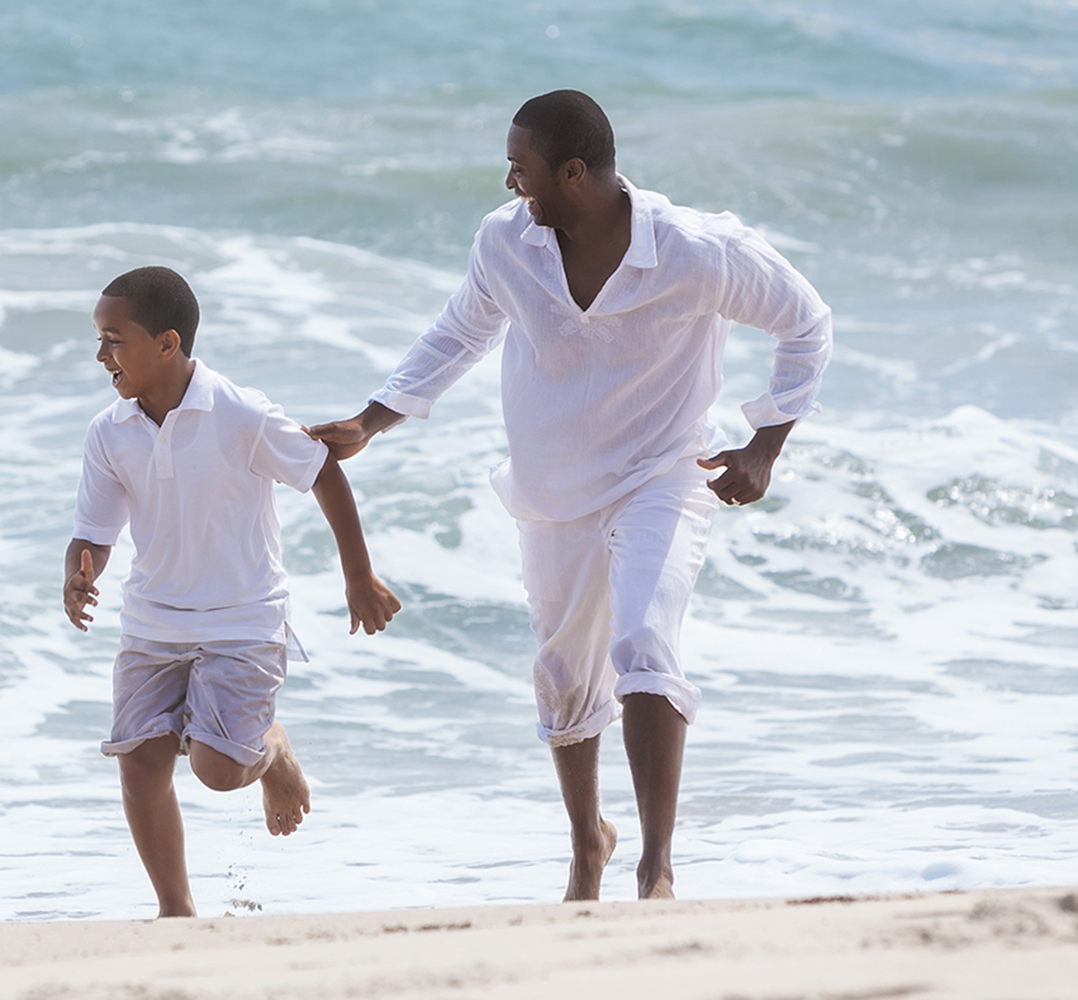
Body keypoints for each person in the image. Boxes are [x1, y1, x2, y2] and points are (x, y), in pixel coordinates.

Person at [308, 90, 832, 901]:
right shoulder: (506, 242)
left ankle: (656, 869)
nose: (510, 181)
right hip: (552, 490)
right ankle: (589, 843)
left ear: (574, 173)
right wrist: (373, 422)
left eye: (522, 167)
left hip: (660, 477)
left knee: (645, 644)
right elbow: (460, 331)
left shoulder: (696, 250)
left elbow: (806, 322)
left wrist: (765, 445)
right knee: (563, 679)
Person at [63, 265, 403, 919]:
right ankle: (176, 908)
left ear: (167, 343)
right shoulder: (110, 431)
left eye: (114, 339)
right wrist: (82, 575)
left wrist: (357, 575)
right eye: (100, 339)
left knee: (218, 771)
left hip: (243, 619)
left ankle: (271, 750)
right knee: (138, 763)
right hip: (153, 620)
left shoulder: (239, 413)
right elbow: (95, 529)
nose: (102, 355)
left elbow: (323, 470)